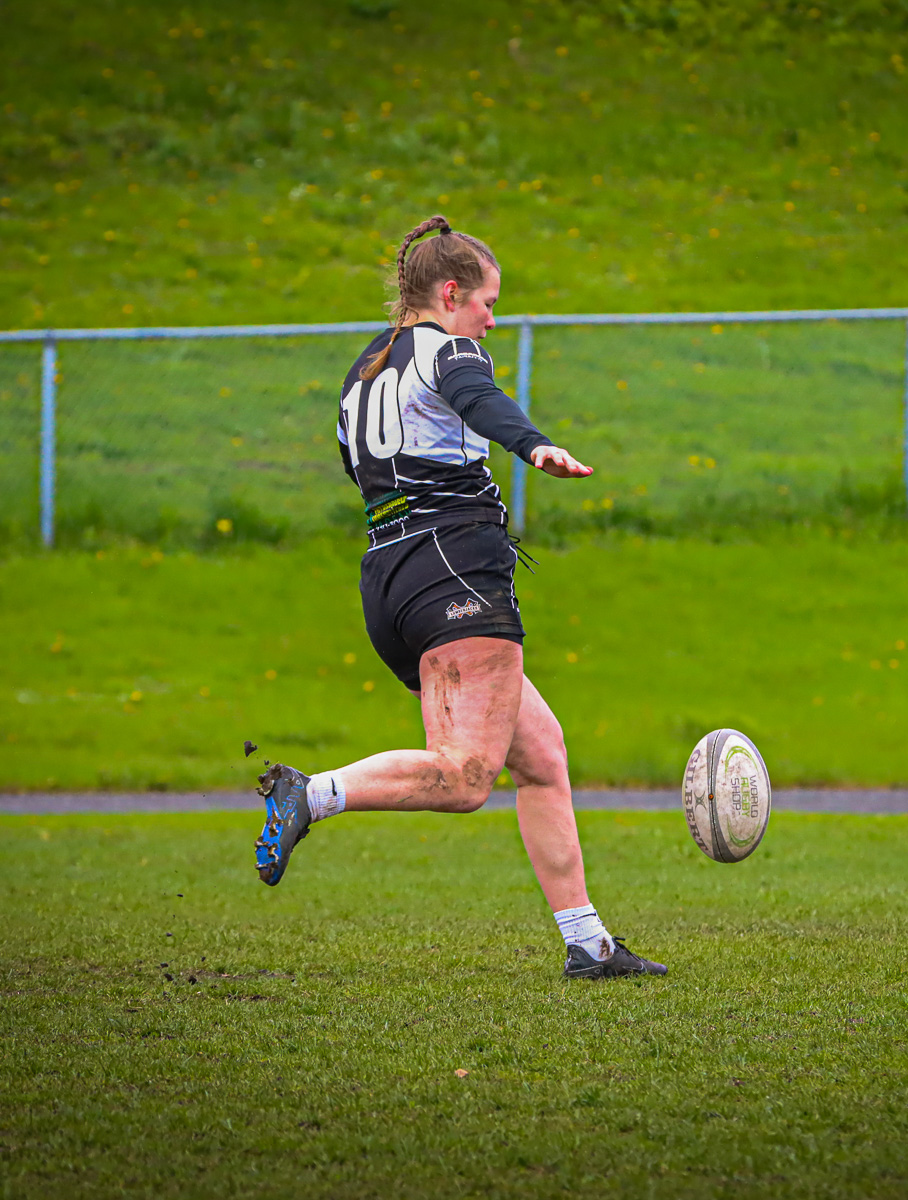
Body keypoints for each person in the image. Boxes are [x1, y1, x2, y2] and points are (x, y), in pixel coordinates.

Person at [252, 214, 666, 981]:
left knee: (540, 755)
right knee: (468, 776)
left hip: (390, 573)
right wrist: (532, 444)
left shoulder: (363, 370)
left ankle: (588, 943)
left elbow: (361, 466)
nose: (491, 319)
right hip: (455, 567)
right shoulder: (450, 350)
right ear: (450, 293)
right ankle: (312, 794)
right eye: (486, 303)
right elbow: (479, 396)